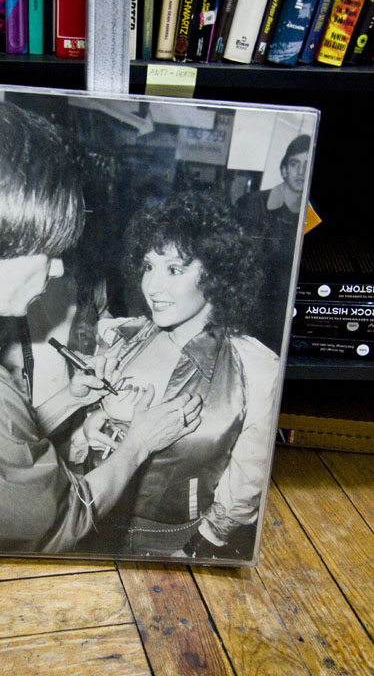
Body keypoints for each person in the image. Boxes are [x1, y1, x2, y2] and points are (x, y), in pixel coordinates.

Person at [0, 87, 201, 556]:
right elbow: (61, 521)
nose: (56, 269)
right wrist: (137, 443)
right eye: (48, 251)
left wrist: (70, 399)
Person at [72, 192, 279, 560]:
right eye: (148, 266)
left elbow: (245, 486)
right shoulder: (125, 337)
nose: (151, 287)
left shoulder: (255, 368)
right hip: (91, 530)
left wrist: (195, 549)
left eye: (174, 269)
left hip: (173, 548)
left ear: (215, 273)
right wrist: (91, 430)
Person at [236, 134, 311, 352]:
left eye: (307, 165)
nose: (301, 172)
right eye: (295, 164)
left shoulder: (310, 217)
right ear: (284, 170)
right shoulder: (253, 204)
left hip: (283, 322)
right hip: (249, 317)